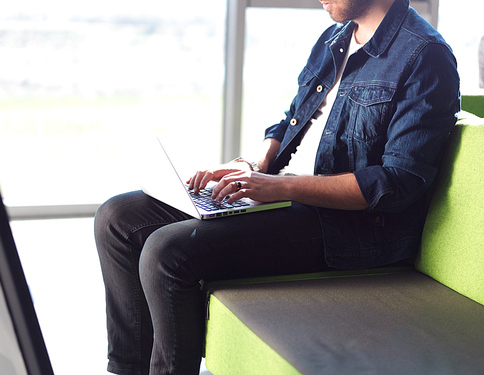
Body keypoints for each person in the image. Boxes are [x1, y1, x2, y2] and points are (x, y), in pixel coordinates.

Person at [94, 0, 460, 374]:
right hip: (284, 193)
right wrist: (250, 168)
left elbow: (397, 183)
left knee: (165, 252)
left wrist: (279, 189)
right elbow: (291, 124)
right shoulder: (335, 38)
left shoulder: (426, 56)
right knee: (117, 218)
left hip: (348, 226)